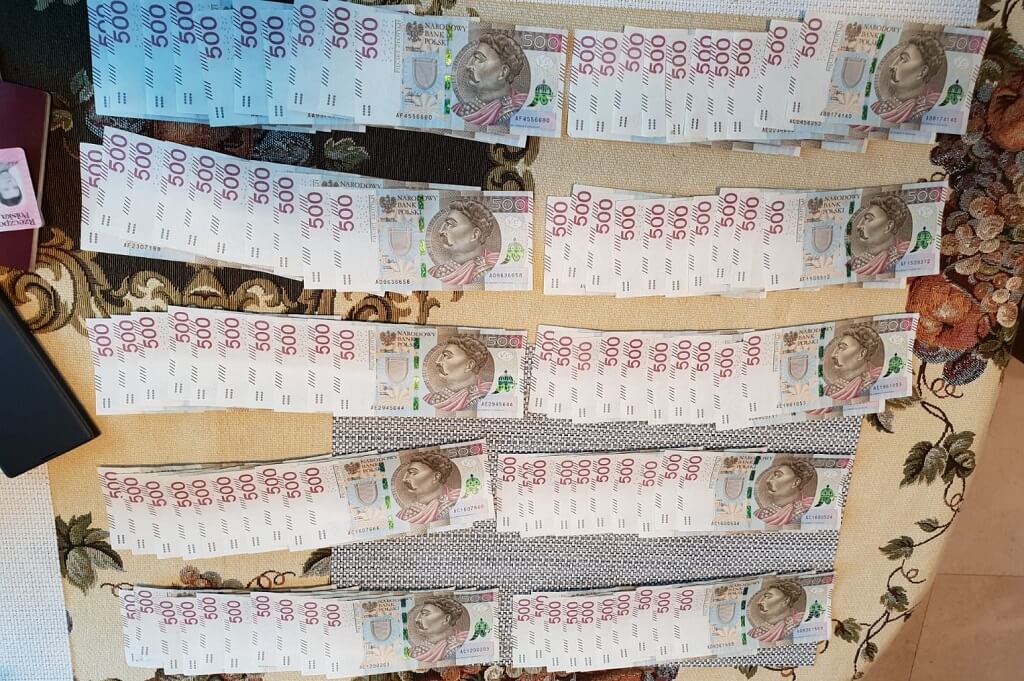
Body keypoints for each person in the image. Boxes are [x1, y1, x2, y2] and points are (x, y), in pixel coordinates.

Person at [452, 31, 529, 127]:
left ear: (503, 72)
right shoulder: (458, 110)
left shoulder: (523, 107)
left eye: (478, 59)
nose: (468, 66)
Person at [870, 34, 948, 125]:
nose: (892, 66)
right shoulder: (876, 107)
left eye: (904, 59)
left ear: (922, 72)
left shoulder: (923, 110)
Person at [427, 199, 500, 286]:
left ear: (474, 235)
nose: (441, 231)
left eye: (450, 224)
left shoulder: (494, 267)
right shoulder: (434, 272)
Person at [848, 193, 913, 276]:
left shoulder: (902, 256)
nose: (859, 226)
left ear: (888, 226)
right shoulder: (854, 263)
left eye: (868, 219)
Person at [423, 335, 493, 411]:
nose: (437, 361)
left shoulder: (483, 397)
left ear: (469, 365)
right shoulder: (429, 399)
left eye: (446, 355)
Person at [395, 452, 461, 527]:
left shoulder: (453, 501)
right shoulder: (403, 514)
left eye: (413, 473)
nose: (404, 479)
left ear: (436, 477)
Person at [823, 325, 884, 400]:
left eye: (842, 348)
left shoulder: (877, 379)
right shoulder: (830, 390)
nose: (833, 355)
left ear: (861, 354)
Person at [754, 458, 817, 528]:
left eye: (778, 475)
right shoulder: (760, 514)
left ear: (795, 483)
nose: (768, 480)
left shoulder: (811, 508)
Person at [409, 596, 470, 663]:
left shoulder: (458, 645)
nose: (417, 619)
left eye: (425, 614)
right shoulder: (414, 651)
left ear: (446, 619)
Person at [747, 579, 806, 644]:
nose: (759, 602)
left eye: (768, 597)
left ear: (786, 601)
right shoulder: (755, 632)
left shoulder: (798, 621)